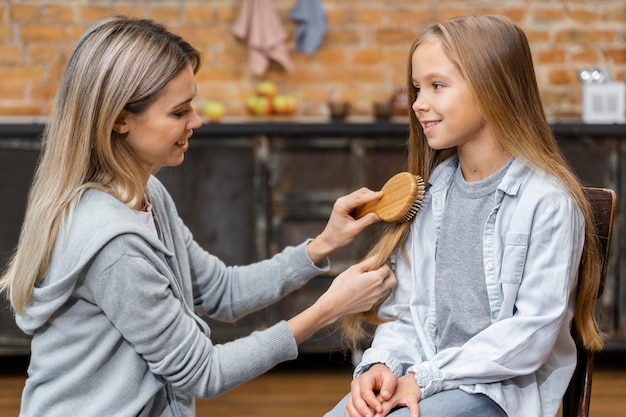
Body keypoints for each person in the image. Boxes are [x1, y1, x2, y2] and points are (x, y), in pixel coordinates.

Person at [0, 16, 397, 417]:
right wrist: (329, 308)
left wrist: (322, 245)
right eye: (179, 112)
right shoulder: (114, 246)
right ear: (119, 120)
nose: (197, 121)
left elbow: (221, 291)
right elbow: (204, 372)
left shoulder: (146, 195)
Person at [325, 14, 603, 417]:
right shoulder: (435, 189)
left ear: (494, 89)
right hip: (425, 377)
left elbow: (531, 335)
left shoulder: (548, 201)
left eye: (437, 86)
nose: (419, 103)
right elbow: (408, 311)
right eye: (418, 88)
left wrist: (423, 378)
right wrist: (381, 363)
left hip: (500, 392)